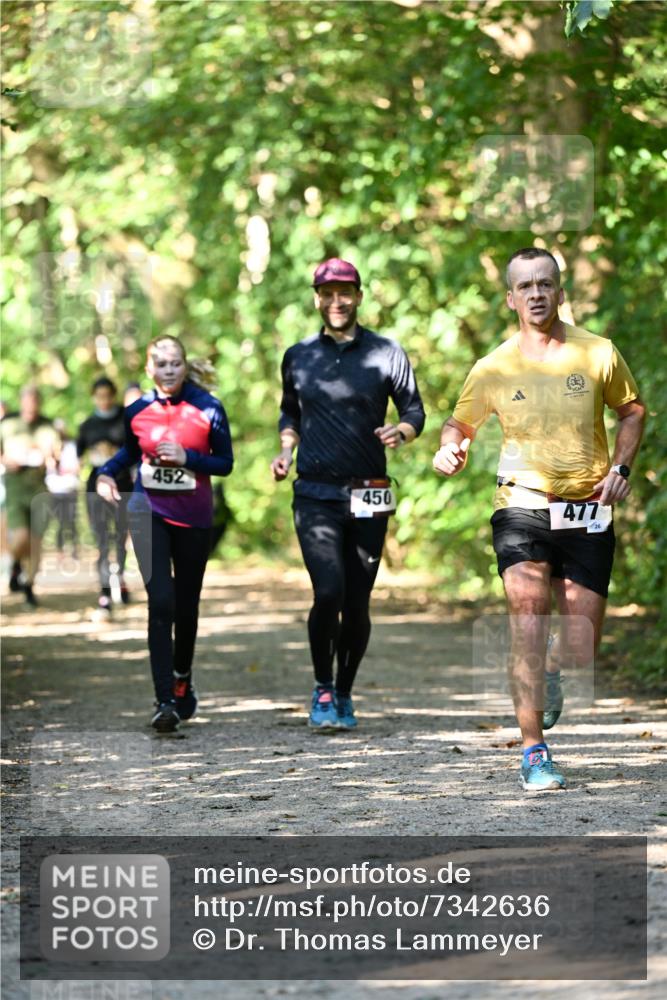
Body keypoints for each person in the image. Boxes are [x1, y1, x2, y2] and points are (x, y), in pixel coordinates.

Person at [433, 247, 645, 791]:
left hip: (588, 506)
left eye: (544, 284)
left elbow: (632, 411)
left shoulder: (597, 353)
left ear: (559, 291)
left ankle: (553, 671)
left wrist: (621, 467)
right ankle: (534, 751)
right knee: (528, 615)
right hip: (522, 503)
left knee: (578, 645)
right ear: (510, 298)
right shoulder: (494, 367)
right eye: (524, 286)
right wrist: (449, 449)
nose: (535, 293)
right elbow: (459, 424)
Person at [271, 258, 425, 730]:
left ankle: (344, 691)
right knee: (329, 591)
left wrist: (402, 430)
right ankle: (320, 687)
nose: (336, 301)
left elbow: (415, 409)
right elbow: (289, 413)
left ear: (359, 296)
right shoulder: (298, 356)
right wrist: (285, 450)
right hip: (315, 492)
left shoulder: (386, 352)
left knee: (357, 603)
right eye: (326, 293)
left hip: (369, 493)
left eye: (345, 293)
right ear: (317, 299)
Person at [96, 336, 233, 732]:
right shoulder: (137, 411)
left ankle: (182, 677)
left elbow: (225, 463)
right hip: (148, 512)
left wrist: (188, 458)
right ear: (149, 368)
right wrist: (106, 473)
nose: (169, 370)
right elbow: (129, 454)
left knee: (187, 606)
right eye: (161, 363)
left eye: (175, 363)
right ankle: (164, 701)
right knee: (161, 601)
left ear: (184, 366)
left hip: (194, 517)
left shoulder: (208, 408)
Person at [77, 377, 133, 617]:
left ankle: (119, 578)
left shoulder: (126, 419)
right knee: (102, 540)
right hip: (95, 486)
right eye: (99, 396)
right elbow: (76, 456)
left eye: (108, 395)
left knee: (120, 538)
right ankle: (104, 591)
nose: (104, 400)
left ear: (113, 395)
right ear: (94, 397)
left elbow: (135, 451)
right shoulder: (87, 425)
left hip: (123, 485)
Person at [0, 386, 60, 606]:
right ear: (22, 400)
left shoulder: (47, 426)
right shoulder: (8, 424)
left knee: (36, 541)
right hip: (15, 487)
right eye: (28, 399)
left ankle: (29, 585)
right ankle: (16, 563)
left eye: (36, 399)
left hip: (39, 487)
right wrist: (7, 461)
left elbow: (56, 454)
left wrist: (50, 458)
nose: (32, 403)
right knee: (21, 537)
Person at [46, 418, 80, 559]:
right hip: (55, 488)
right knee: (59, 520)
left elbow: (77, 466)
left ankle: (74, 549)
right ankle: (60, 550)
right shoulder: (49, 446)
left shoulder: (72, 446)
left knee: (71, 520)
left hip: (70, 487)